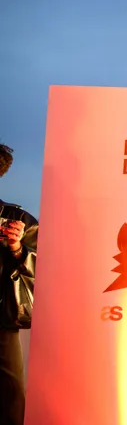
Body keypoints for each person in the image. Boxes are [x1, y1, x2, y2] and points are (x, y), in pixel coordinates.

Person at [0, 143, 39, 425]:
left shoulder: (19, 220)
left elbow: (51, 270)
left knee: (10, 397)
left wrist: (17, 248)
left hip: (3, 320)